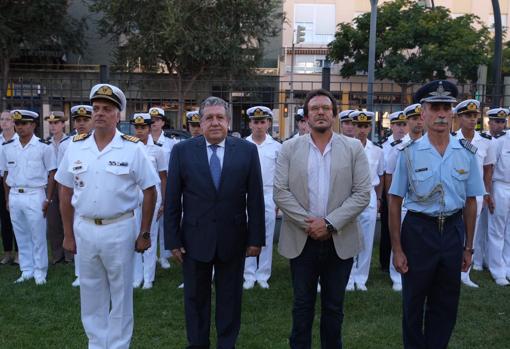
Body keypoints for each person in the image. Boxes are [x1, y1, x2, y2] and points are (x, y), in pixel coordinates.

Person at [56, 83, 159, 349]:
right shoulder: (76, 147)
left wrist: (144, 232)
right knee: (90, 291)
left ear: (118, 115)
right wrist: (68, 234)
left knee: (121, 292)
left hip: (120, 227)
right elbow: (65, 190)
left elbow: (150, 190)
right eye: (96, 108)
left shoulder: (132, 148)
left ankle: (119, 345)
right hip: (85, 227)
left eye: (107, 109)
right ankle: (96, 343)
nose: (100, 113)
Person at [389, 80, 484, 349]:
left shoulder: (465, 153)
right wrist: (397, 248)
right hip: (419, 231)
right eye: (435, 108)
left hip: (452, 232)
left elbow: (471, 201)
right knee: (413, 301)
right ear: (423, 114)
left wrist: (469, 247)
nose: (441, 113)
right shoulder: (408, 153)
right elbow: (394, 201)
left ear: (452, 112)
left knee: (446, 301)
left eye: (446, 107)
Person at [165, 96, 265, 348]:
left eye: (220, 117)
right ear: (200, 122)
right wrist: (172, 240)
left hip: (233, 239)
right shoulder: (182, 151)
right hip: (194, 240)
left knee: (230, 300)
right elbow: (173, 199)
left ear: (228, 121)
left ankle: (226, 344)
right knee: (195, 299)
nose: (215, 122)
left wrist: (256, 238)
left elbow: (255, 198)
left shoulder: (247, 151)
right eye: (208, 118)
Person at [274, 89, 371, 348]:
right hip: (301, 239)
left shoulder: (353, 149)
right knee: (302, 306)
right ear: (306, 116)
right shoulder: (289, 148)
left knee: (333, 308)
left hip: (339, 240)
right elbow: (280, 192)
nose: (320, 112)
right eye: (314, 108)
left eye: (325, 108)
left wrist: (328, 224)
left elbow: (362, 194)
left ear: (334, 115)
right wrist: (310, 224)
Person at [1, 109, 57, 285]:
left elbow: (52, 173)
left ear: (33, 125)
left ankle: (40, 271)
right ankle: (26, 270)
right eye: (17, 124)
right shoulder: (8, 147)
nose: (20, 127)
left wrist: (47, 199)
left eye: (24, 123)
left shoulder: (43, 147)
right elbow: (5, 174)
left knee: (38, 235)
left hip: (35, 194)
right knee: (21, 235)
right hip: (16, 194)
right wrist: (7, 198)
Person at [452, 99, 496, 288]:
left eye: (474, 116)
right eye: (467, 116)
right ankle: (450, 269)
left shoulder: (486, 141)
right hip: (454, 191)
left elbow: (488, 170)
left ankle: (465, 273)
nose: (472, 119)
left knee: (472, 231)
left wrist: (486, 193)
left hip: (475, 193)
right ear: (459, 118)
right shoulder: (451, 138)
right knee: (452, 230)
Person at [384, 103, 424, 291]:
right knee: (398, 238)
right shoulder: (398, 148)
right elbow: (390, 176)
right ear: (407, 122)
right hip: (404, 202)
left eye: (420, 118)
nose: (418, 122)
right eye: (414, 119)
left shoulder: (430, 145)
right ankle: (396, 275)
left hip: (423, 202)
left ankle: (418, 271)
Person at [243, 106, 282, 290]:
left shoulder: (276, 147)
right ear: (250, 124)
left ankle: (263, 274)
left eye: (262, 122)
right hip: (246, 195)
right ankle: (248, 274)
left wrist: (277, 201)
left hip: (268, 195)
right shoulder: (242, 145)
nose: (259, 125)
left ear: (268, 123)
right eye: (255, 122)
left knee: (266, 235)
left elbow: (280, 176)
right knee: (247, 234)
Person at [346, 110, 384, 291]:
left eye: (365, 126)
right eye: (358, 126)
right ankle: (349, 276)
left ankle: (361, 278)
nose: (361, 130)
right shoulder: (345, 148)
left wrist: (378, 199)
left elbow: (380, 177)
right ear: (352, 127)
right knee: (350, 239)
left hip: (368, 198)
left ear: (369, 127)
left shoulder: (377, 151)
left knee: (367, 241)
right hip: (349, 197)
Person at [130, 112, 167, 290]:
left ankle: (148, 277)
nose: (140, 131)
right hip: (132, 197)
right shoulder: (128, 148)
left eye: (143, 127)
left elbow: (163, 177)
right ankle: (136, 276)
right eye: (137, 127)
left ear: (149, 128)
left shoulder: (157, 150)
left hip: (152, 198)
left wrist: (164, 202)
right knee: (134, 236)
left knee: (149, 235)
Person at [58, 105, 94, 287]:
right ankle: (80, 274)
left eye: (85, 120)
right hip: (75, 197)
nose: (81, 124)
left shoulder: (98, 143)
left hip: (92, 199)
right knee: (77, 236)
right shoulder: (68, 145)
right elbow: (64, 179)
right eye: (78, 120)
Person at [379, 110, 408, 273]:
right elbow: (383, 173)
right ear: (392, 126)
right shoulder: (385, 145)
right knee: (387, 227)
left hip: (406, 193)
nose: (401, 128)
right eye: (398, 125)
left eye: (404, 124)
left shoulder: (413, 143)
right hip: (388, 191)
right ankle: (385, 263)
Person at [149, 106, 177, 270]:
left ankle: (164, 256)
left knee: (163, 224)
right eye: (151, 121)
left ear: (163, 122)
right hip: (149, 186)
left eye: (157, 120)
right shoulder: (142, 141)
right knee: (148, 223)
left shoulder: (171, 143)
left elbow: (172, 167)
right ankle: (148, 255)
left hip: (165, 184)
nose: (154, 123)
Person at [44, 111, 73, 265]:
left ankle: (70, 254)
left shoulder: (70, 142)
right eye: (50, 123)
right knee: (53, 220)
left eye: (56, 123)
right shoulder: (46, 143)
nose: (53, 126)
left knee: (67, 217)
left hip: (65, 183)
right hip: (50, 184)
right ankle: (57, 254)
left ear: (63, 124)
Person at [487, 108, 510, 286]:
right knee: (497, 229)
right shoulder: (499, 141)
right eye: (498, 121)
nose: (502, 124)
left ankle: (507, 265)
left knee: (509, 231)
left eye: (504, 121)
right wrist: (490, 193)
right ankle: (497, 270)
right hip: (500, 185)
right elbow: (491, 168)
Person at [0, 110, 18, 265]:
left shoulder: (19, 140)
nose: (4, 122)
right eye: (2, 119)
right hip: (1, 181)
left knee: (17, 219)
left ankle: (19, 253)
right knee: (4, 219)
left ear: (14, 122)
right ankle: (7, 253)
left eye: (8, 119)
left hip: (15, 182)